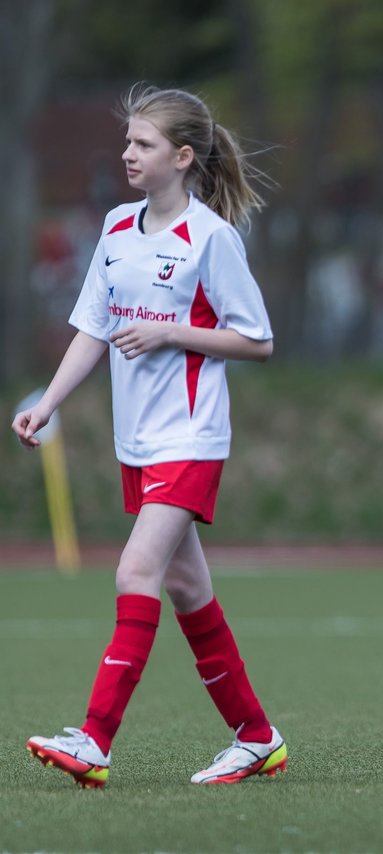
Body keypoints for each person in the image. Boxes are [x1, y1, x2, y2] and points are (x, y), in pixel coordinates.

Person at [13, 85, 287, 788]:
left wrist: (172, 331)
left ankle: (95, 741)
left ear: (183, 157)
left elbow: (257, 340)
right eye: (128, 141)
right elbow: (93, 328)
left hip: (191, 438)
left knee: (134, 573)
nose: (127, 154)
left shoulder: (210, 238)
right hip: (137, 440)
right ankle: (256, 737)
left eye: (143, 144)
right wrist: (48, 402)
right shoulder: (114, 228)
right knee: (189, 588)